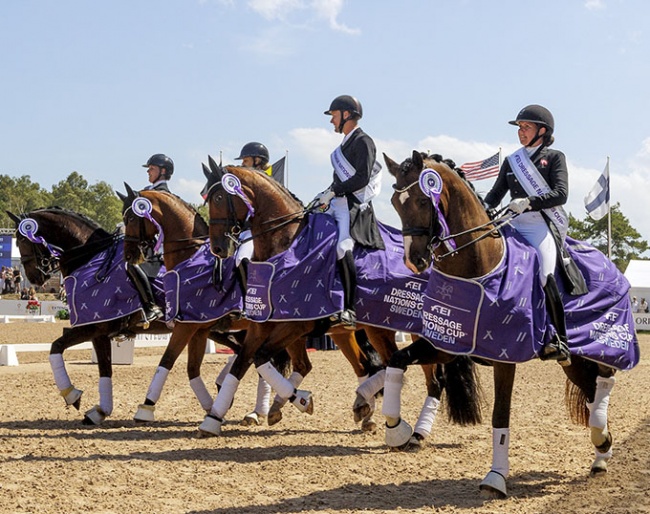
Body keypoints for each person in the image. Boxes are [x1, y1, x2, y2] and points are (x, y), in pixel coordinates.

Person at [484, 104, 571, 365]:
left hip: (539, 224)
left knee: (545, 273)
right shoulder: (512, 160)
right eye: (520, 128)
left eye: (526, 127)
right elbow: (495, 194)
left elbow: (561, 194)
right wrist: (484, 207)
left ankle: (559, 338)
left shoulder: (554, 157)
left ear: (542, 131)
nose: (521, 132)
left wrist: (530, 202)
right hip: (512, 222)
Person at [313, 95, 384, 329]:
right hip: (338, 203)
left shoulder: (364, 141)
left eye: (334, 116)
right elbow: (338, 181)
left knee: (343, 247)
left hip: (353, 207)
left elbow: (362, 178)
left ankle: (349, 309)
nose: (332, 121)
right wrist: (324, 195)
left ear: (346, 115)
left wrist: (334, 191)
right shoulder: (342, 146)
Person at [126, 153, 173, 326]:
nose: (148, 172)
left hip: (157, 247)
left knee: (132, 265)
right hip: (148, 244)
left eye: (151, 169)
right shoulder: (149, 193)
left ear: (163, 171)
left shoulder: (161, 196)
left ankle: (150, 307)